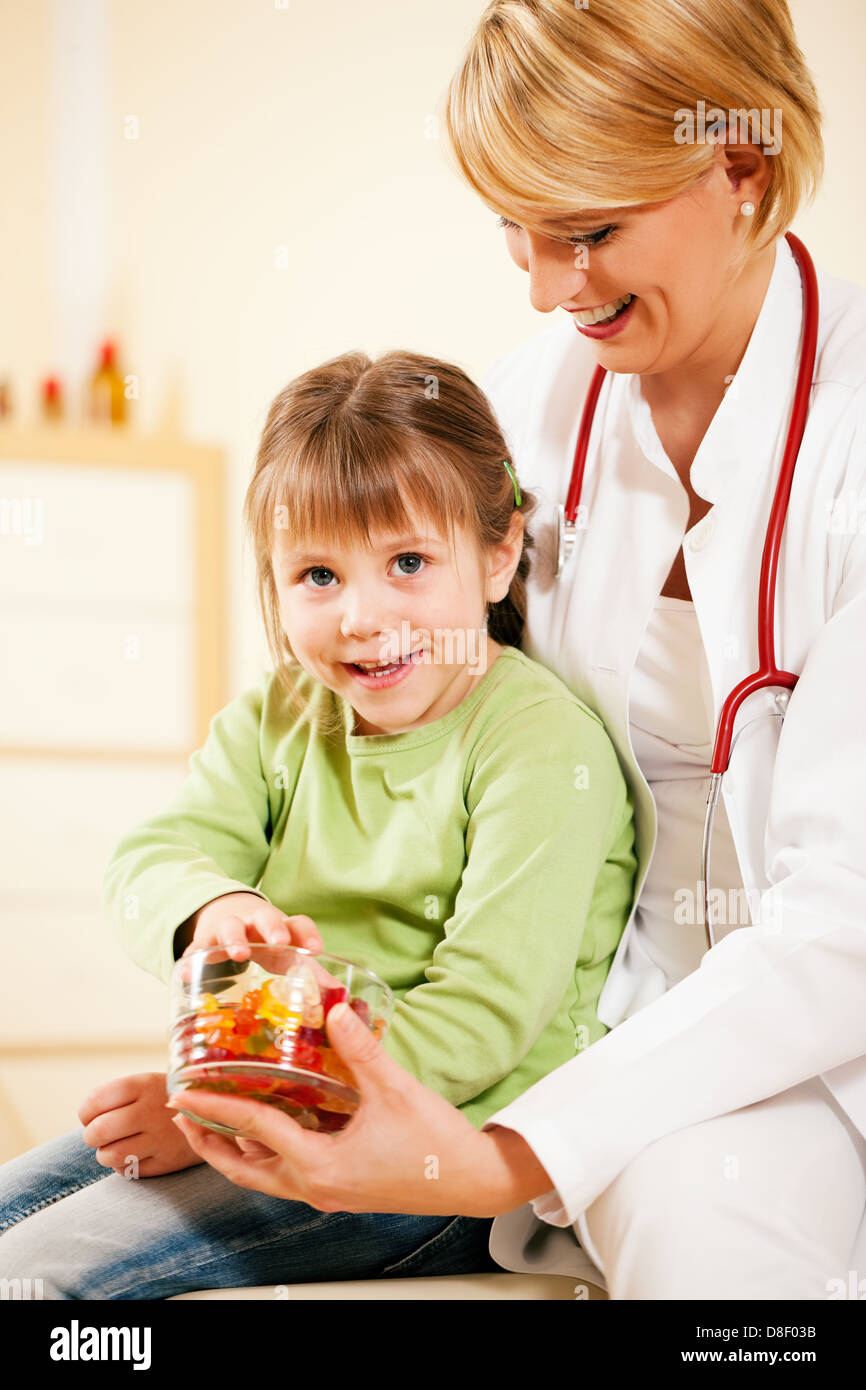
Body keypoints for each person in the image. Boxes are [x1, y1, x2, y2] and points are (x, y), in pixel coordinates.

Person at [138, 0, 866, 1302]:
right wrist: (266, 1051)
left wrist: (487, 1158)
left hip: (821, 1040)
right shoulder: (540, 401)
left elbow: (841, 929)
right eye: (517, 234)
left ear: (738, 165)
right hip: (580, 1017)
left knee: (718, 1245)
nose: (543, 287)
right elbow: (407, 710)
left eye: (586, 231)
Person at [0, 348, 637, 1298]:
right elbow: (153, 856)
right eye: (317, 575)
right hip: (278, 1099)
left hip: (436, 1159)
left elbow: (478, 1024)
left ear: (499, 555)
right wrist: (211, 903)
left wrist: (228, 1105)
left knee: (36, 1273)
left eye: (409, 563)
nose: (364, 617)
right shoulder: (285, 712)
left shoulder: (539, 748)